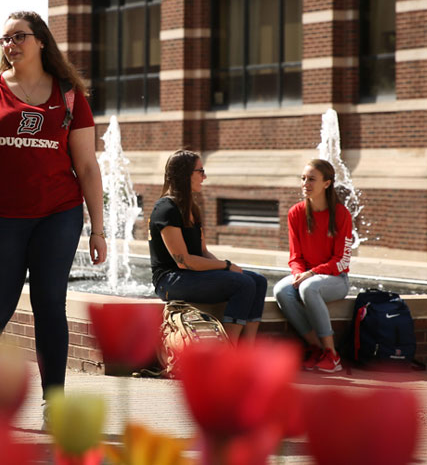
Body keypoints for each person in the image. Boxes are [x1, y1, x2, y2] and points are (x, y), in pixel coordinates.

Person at [0, 10, 107, 402]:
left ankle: (55, 403)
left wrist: (98, 229)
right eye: (4, 39)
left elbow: (87, 166)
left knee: (50, 305)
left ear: (40, 41)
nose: (10, 45)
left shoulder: (69, 94)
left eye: (19, 37)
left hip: (58, 214)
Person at [148, 150, 267, 343]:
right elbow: (184, 262)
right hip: (169, 281)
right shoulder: (165, 209)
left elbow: (203, 252)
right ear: (185, 174)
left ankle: (248, 349)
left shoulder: (192, 208)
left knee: (258, 281)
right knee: (243, 284)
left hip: (192, 275)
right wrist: (226, 266)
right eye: (200, 171)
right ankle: (230, 352)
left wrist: (231, 269)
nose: (204, 177)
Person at [273, 159, 353, 373]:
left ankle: (332, 354)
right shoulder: (296, 213)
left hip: (336, 279)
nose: (305, 183)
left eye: (311, 179)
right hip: (308, 276)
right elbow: (295, 256)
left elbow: (341, 260)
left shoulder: (341, 214)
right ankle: (316, 348)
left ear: (327, 184)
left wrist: (311, 273)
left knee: (310, 287)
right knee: (281, 289)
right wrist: (299, 274)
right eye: (303, 179)